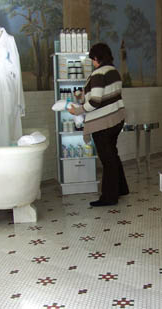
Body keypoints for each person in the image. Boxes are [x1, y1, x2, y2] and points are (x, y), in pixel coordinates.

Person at [68, 42, 129, 206]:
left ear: (96, 58)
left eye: (92, 59)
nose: (92, 62)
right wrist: (83, 96)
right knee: (113, 155)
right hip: (117, 118)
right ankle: (121, 188)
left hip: (103, 123)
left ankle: (109, 197)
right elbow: (107, 95)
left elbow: (95, 101)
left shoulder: (98, 74)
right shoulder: (114, 71)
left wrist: (78, 110)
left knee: (107, 160)